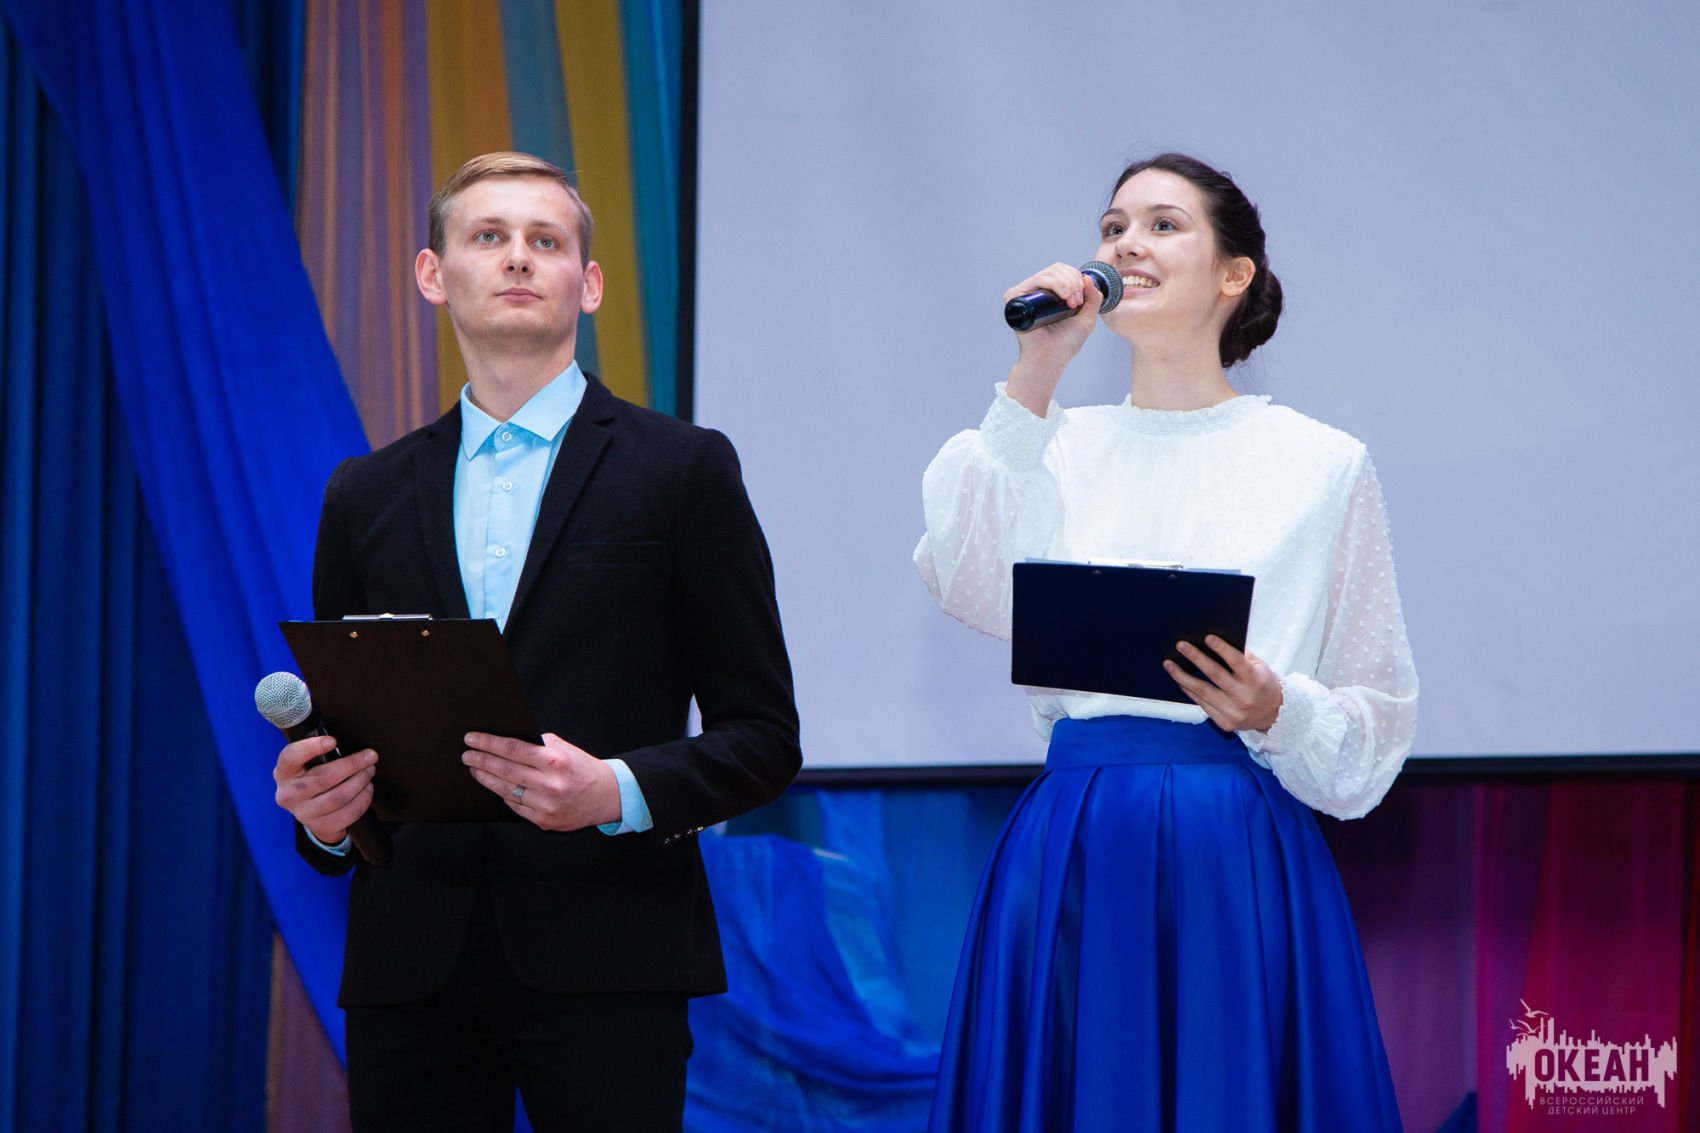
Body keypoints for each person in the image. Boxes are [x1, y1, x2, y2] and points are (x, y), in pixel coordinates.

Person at [270, 151, 801, 1131]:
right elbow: (345, 742)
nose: (517, 257)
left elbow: (764, 737)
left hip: (612, 956)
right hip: (409, 969)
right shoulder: (363, 493)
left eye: (544, 240)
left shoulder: (683, 470)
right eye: (488, 236)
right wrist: (324, 817)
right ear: (433, 274)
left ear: (587, 284)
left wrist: (615, 790)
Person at [915, 153, 1417, 1132]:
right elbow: (965, 576)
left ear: (1233, 273)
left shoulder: (1320, 464)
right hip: (1075, 835)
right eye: (1112, 229)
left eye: (1160, 224)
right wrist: (1036, 366)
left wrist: (1279, 708)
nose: (1125, 246)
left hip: (1231, 841)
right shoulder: (1052, 441)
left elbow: (1375, 716)